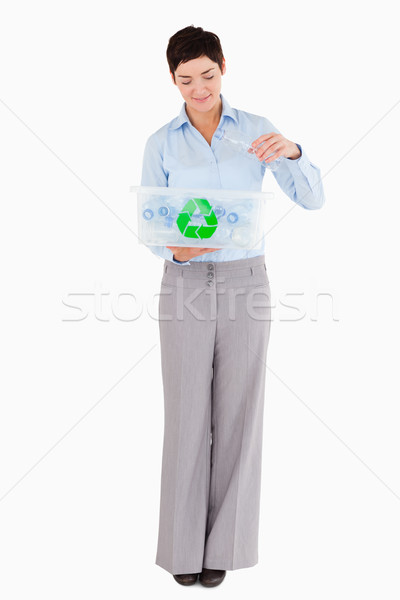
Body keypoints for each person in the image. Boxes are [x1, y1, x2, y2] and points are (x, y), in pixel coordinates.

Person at [140, 25, 325, 588]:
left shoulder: (257, 131)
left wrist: (293, 150)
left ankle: (225, 546)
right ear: (172, 79)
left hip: (248, 281)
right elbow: (151, 226)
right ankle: (182, 551)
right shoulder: (161, 143)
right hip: (185, 281)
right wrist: (177, 245)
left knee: (241, 414)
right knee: (187, 415)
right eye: (186, 79)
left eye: (208, 75)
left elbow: (312, 198)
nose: (199, 89)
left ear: (224, 66)